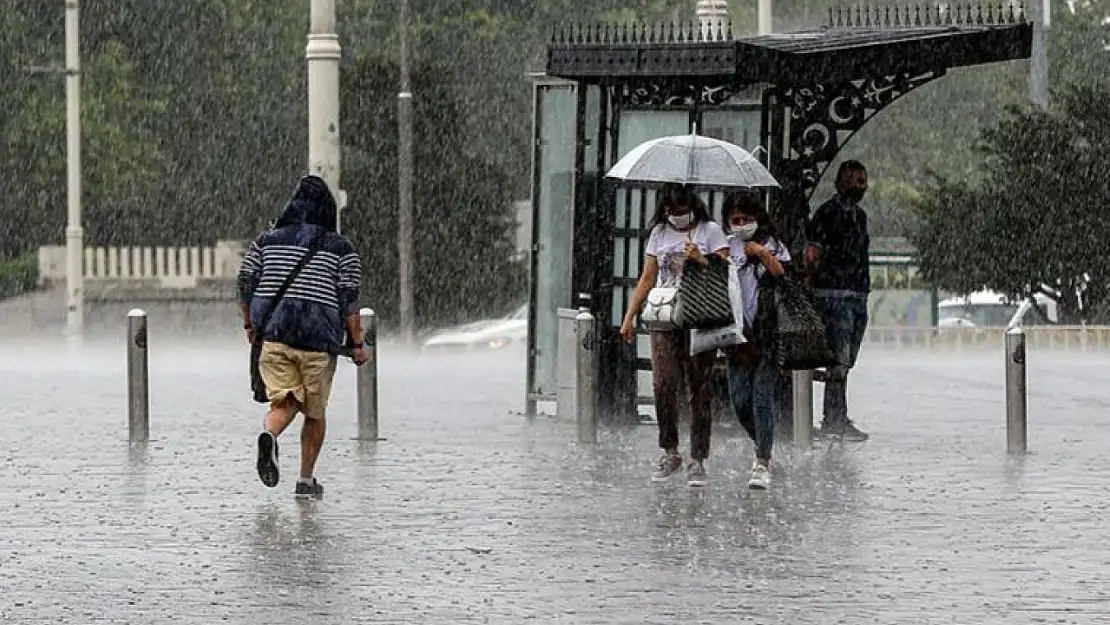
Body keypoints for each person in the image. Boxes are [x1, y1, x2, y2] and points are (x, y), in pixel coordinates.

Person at [237, 174, 368, 499]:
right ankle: (306, 481)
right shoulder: (341, 248)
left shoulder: (266, 241)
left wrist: (250, 324)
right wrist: (358, 344)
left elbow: (245, 283)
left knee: (286, 400)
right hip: (318, 342)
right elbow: (349, 300)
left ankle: (270, 433)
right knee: (314, 412)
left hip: (276, 335)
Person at [619, 183, 729, 487]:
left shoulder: (710, 231)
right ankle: (670, 449)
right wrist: (630, 316)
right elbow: (648, 276)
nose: (675, 216)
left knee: (698, 386)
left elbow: (726, 270)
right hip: (665, 315)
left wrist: (701, 259)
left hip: (699, 315)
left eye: (680, 211)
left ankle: (698, 456)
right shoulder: (659, 234)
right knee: (663, 383)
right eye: (669, 211)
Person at [723, 191, 790, 490]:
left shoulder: (772, 244)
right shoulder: (725, 245)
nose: (740, 225)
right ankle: (764, 442)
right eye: (735, 220)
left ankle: (762, 460)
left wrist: (761, 253)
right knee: (740, 400)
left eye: (746, 219)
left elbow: (782, 274)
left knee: (761, 397)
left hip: (767, 333)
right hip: (736, 335)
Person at [804, 160, 871, 441]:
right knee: (838, 359)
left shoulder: (860, 216)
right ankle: (834, 417)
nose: (860, 186)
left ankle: (836, 415)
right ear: (839, 183)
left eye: (862, 180)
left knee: (847, 358)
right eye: (854, 180)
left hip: (856, 294)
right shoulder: (827, 214)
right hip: (833, 295)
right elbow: (812, 254)